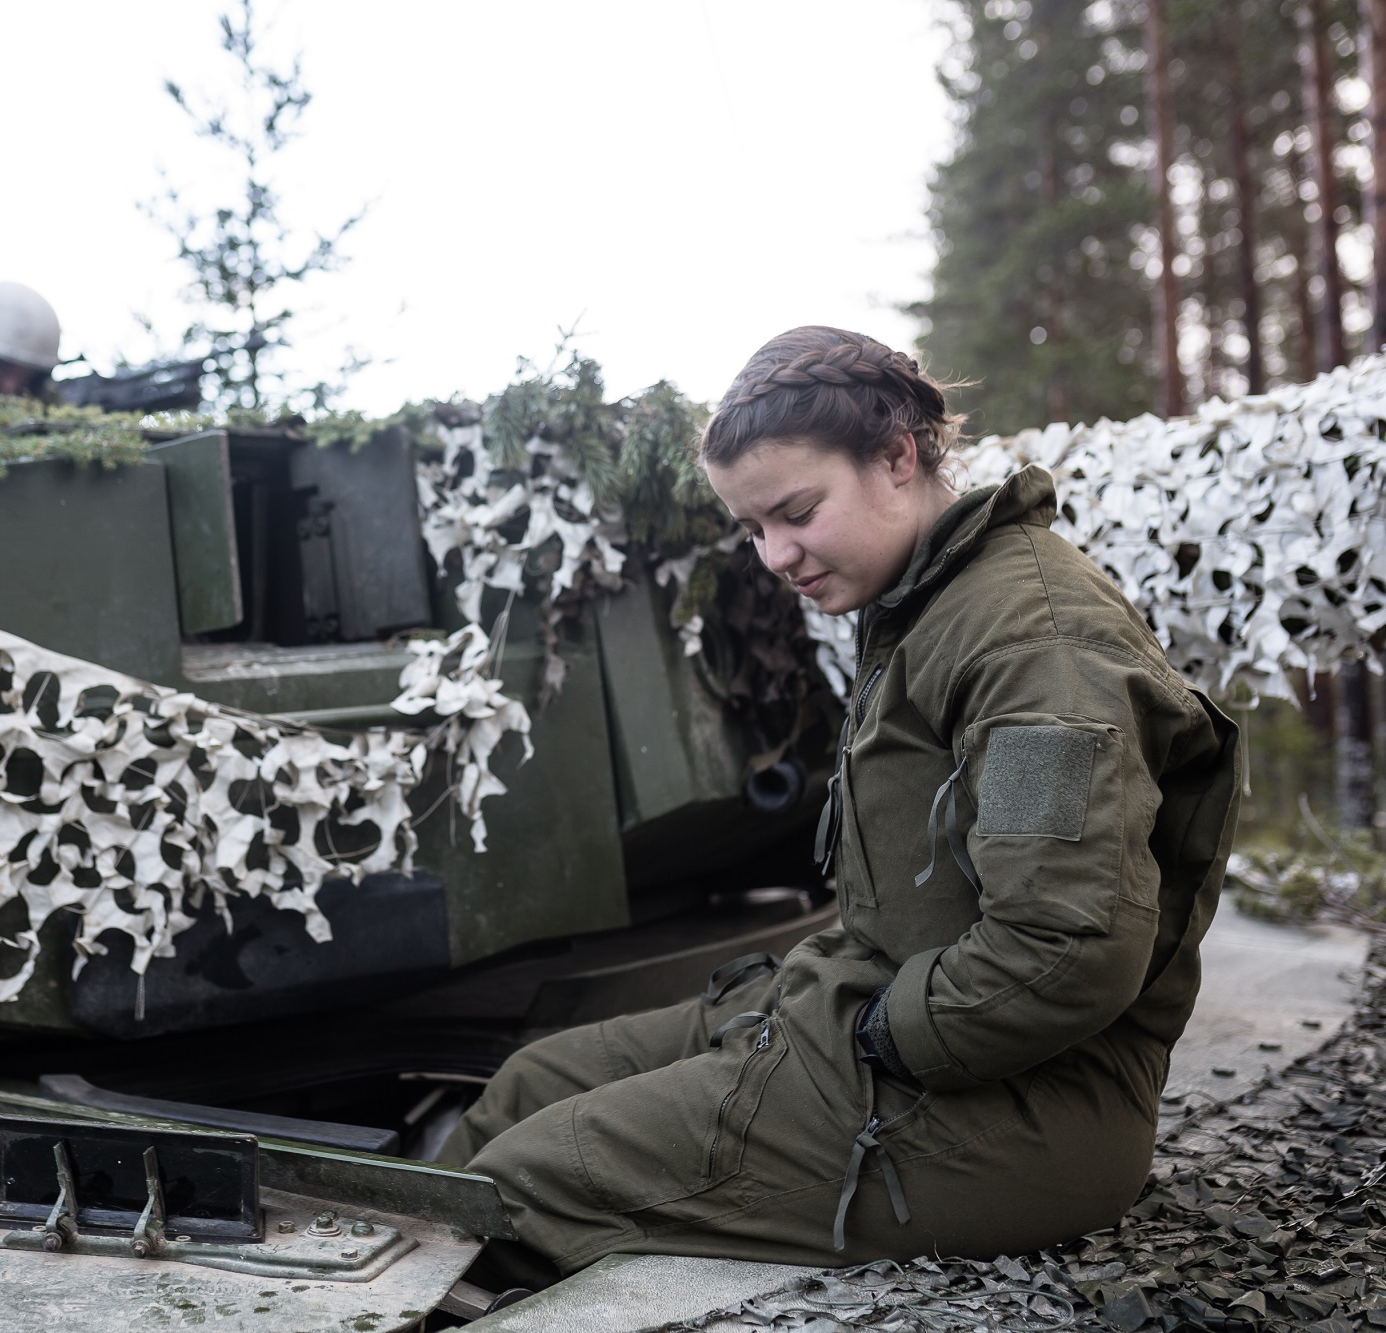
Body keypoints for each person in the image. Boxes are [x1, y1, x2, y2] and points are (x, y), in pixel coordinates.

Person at [436, 325, 1242, 1279]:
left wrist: (867, 1029)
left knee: (523, 1184)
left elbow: (1061, 951)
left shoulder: (1035, 648)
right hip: (893, 1027)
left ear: (897, 456)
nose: (775, 554)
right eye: (751, 528)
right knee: (529, 1085)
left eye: (796, 511)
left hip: (1024, 1111)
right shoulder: (925, 605)